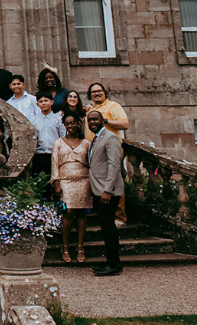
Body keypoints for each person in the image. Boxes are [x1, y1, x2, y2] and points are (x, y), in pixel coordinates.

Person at [86, 82, 130, 224]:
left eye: (99, 91)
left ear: (105, 92)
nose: (97, 94)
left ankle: (120, 216)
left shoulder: (113, 106)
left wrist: (105, 120)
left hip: (110, 148)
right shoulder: (91, 108)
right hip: (95, 151)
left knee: (115, 179)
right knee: (100, 181)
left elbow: (125, 124)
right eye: (93, 92)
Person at [87, 110, 124, 276]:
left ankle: (114, 264)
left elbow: (114, 165)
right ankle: (112, 261)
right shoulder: (95, 139)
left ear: (102, 120)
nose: (92, 122)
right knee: (105, 226)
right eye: (90, 120)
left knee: (108, 227)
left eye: (95, 119)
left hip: (109, 190)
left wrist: (107, 190)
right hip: (99, 188)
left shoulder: (110, 138)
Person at [51, 112, 92, 263]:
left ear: (78, 123)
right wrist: (56, 182)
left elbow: (91, 163)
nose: (70, 126)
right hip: (65, 180)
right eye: (67, 124)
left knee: (81, 213)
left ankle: (80, 247)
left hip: (83, 180)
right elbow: (54, 163)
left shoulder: (86, 143)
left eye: (72, 123)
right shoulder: (58, 143)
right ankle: (65, 246)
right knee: (68, 212)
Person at [29, 93, 66, 180]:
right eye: (41, 101)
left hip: (54, 155)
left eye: (46, 101)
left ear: (52, 102)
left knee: (55, 180)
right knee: (39, 181)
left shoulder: (59, 119)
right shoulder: (33, 120)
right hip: (39, 155)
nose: (44, 103)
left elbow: (63, 136)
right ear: (37, 104)